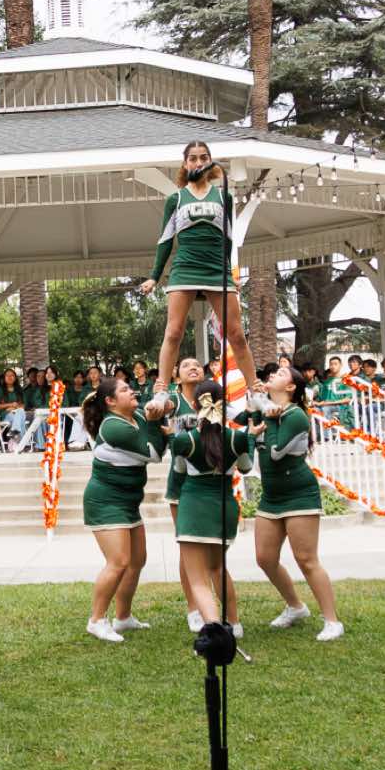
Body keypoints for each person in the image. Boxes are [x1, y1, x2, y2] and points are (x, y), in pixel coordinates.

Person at [142, 142, 262, 419]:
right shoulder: (176, 199)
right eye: (193, 158)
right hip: (185, 267)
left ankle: (255, 390)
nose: (198, 163)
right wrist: (154, 277)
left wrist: (229, 273)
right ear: (185, 164)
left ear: (210, 161)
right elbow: (165, 240)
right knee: (173, 331)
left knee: (236, 334)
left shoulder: (223, 196)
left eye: (204, 158)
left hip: (216, 268)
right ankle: (161, 389)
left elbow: (228, 238)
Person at [248, 363, 344, 641]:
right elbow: (247, 435)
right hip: (271, 496)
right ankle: (296, 607)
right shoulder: (267, 409)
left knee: (306, 559)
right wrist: (258, 406)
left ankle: (332, 621)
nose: (272, 375)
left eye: (280, 374)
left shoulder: (296, 415)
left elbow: (276, 452)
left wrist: (270, 417)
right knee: (265, 559)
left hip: (299, 493)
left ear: (291, 387)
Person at [166, 379, 254, 636]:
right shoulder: (238, 438)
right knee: (218, 569)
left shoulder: (185, 440)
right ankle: (234, 623)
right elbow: (246, 467)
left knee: (198, 580)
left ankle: (215, 631)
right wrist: (250, 437)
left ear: (195, 406)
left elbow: (179, 470)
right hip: (224, 509)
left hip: (193, 509)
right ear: (224, 404)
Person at [82, 373, 165, 642]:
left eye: (131, 388)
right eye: (125, 389)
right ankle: (96, 620)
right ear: (110, 401)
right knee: (118, 562)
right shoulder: (113, 427)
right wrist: (156, 424)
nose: (132, 392)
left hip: (129, 502)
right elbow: (154, 453)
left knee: (137, 560)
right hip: (105, 502)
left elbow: (156, 433)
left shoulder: (136, 416)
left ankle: (123, 617)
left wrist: (159, 405)